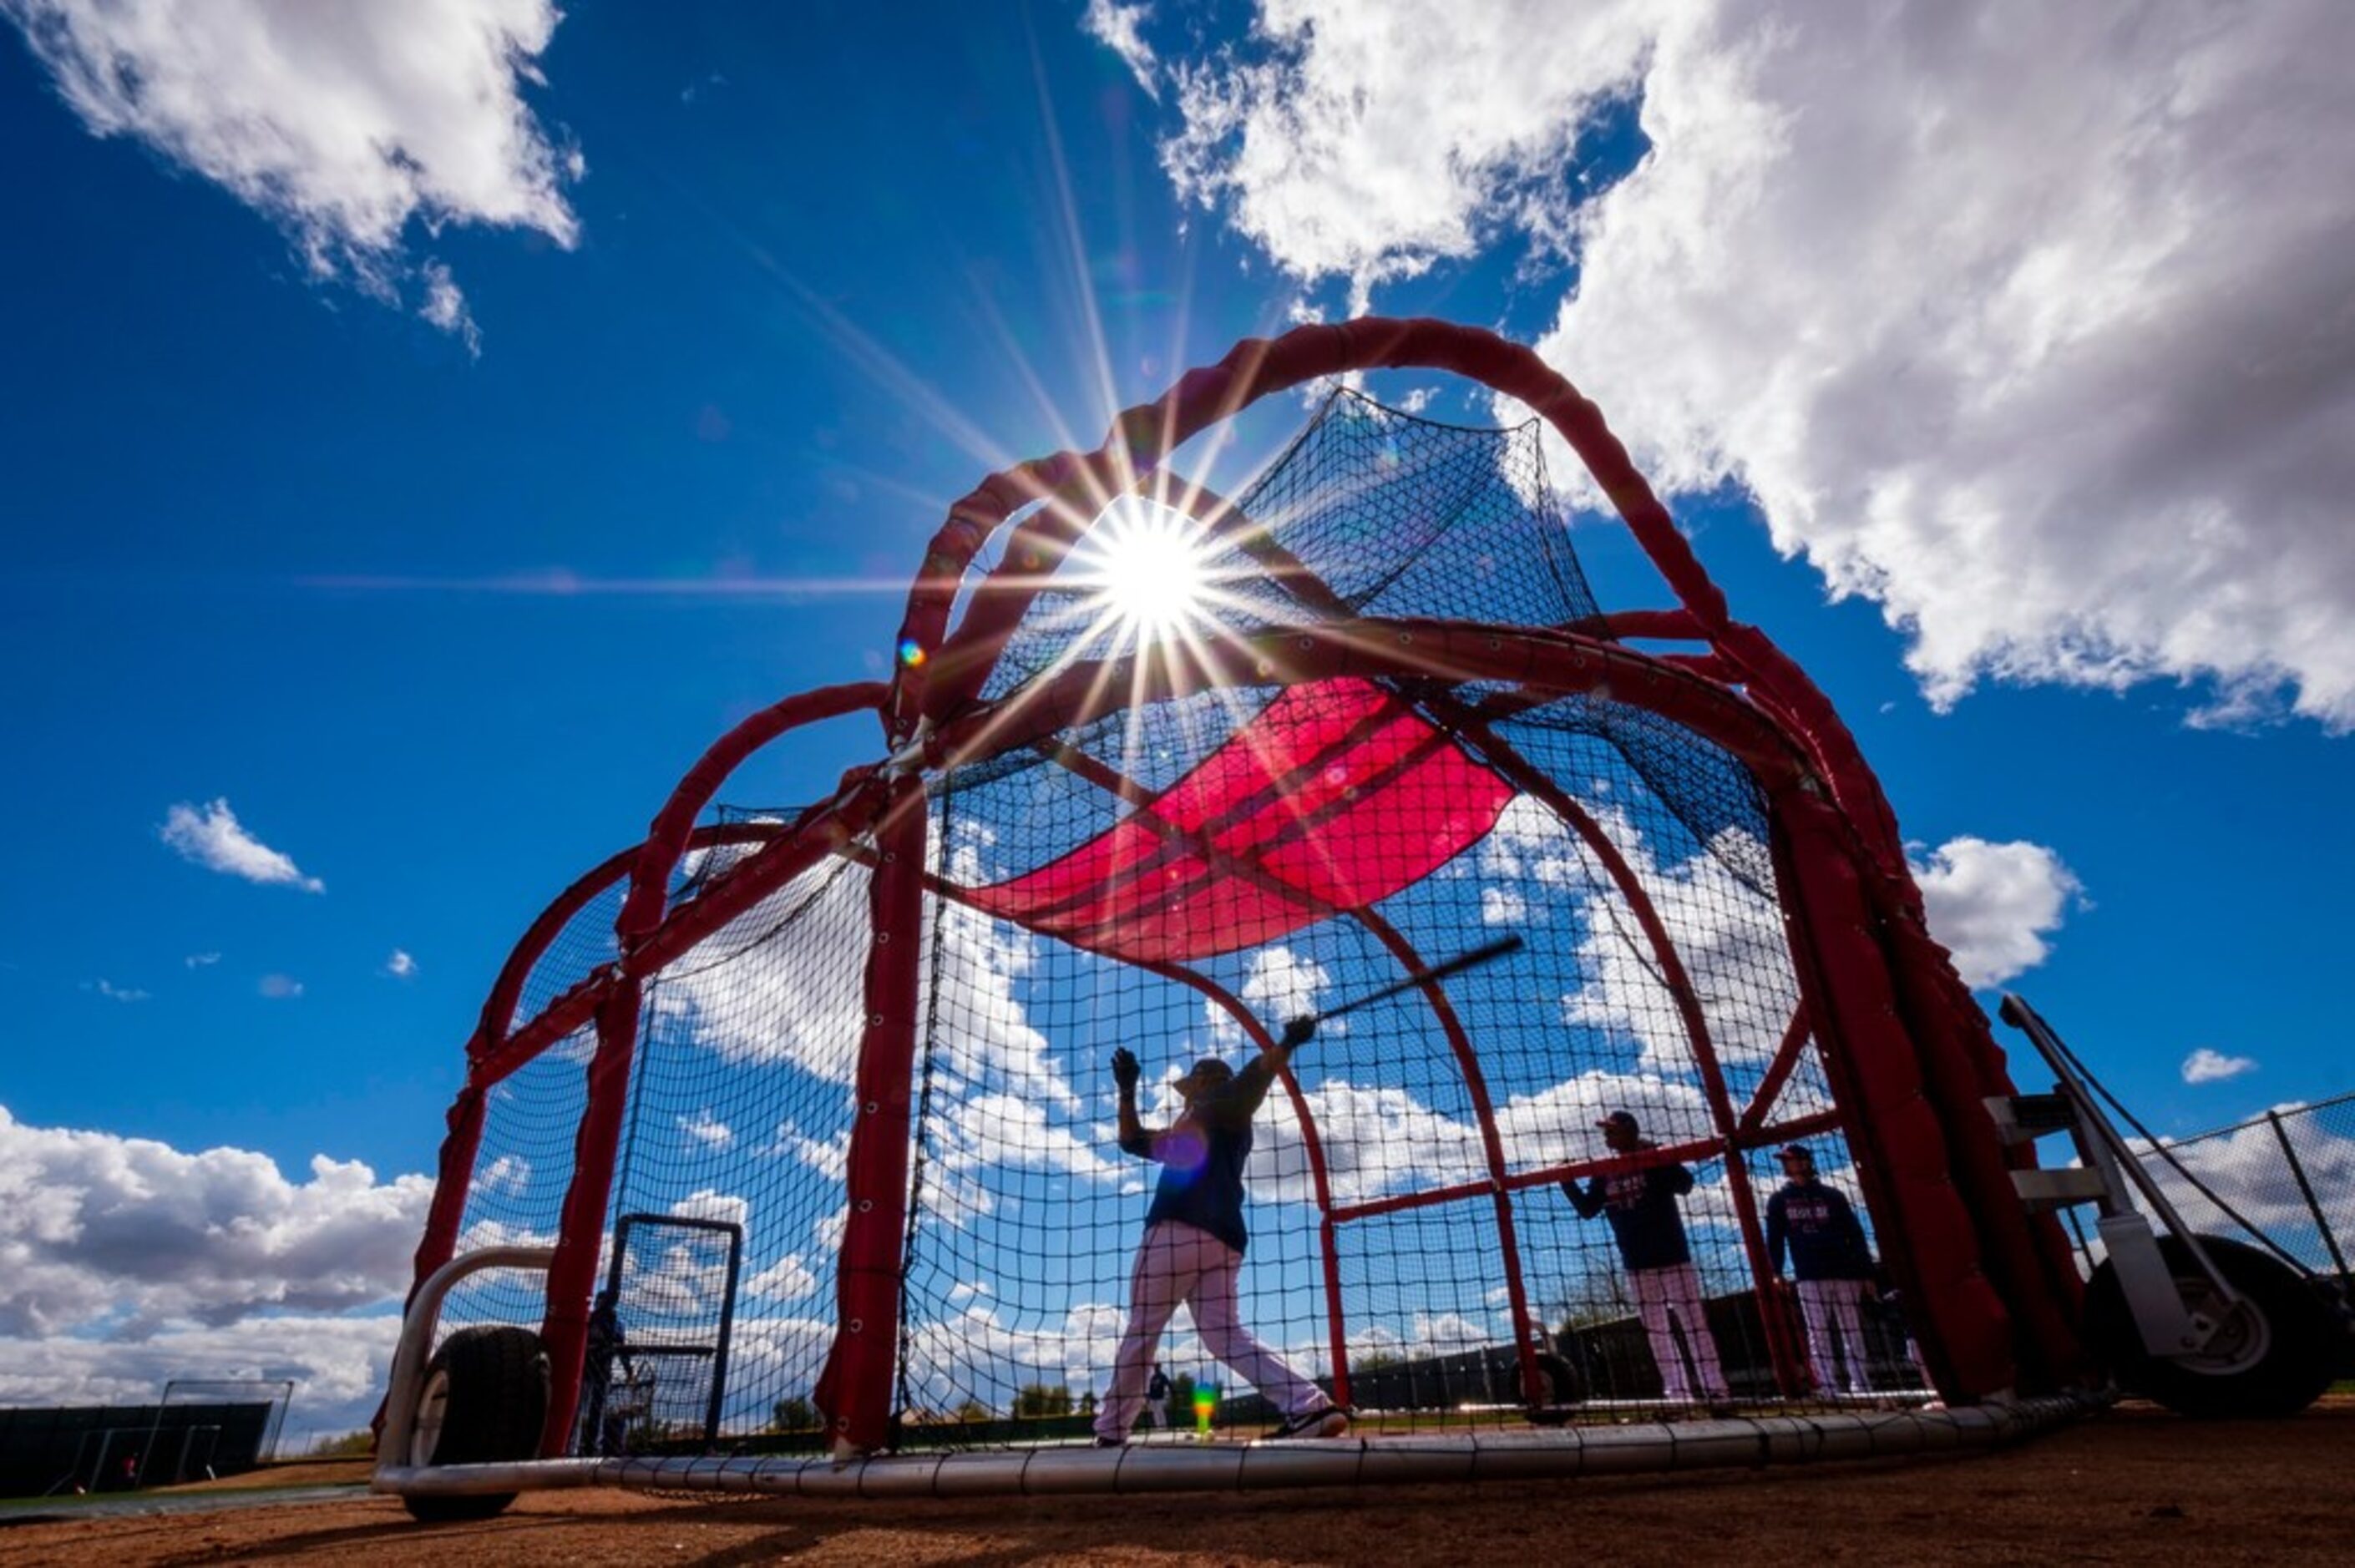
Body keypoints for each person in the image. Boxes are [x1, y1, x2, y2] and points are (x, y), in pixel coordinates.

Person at [1091, 1019, 1349, 1447]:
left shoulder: (1213, 1106)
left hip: (1177, 1232)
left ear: (1207, 1081)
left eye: (1193, 1083)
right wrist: (1127, 1091)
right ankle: (1309, 1406)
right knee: (1224, 1336)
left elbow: (1250, 1084)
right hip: (1224, 1241)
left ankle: (1111, 1430)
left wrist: (1285, 1043)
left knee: (1143, 1329)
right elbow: (1133, 1140)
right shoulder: (1198, 1127)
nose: (1187, 1091)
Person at [1563, 1110, 1726, 1403]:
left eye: (1613, 1130)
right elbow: (1588, 1209)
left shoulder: (1653, 1154)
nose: (1607, 1136)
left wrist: (1657, 1154)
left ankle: (1715, 1389)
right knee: (1657, 1331)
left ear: (1631, 1131)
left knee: (1694, 1324)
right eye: (1606, 1131)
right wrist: (1567, 1182)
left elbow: (1685, 1185)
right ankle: (1677, 1393)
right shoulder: (1604, 1168)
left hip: (1673, 1255)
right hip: (1637, 1262)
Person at [1765, 1143, 1879, 1395]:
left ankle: (1862, 1385)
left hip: (1844, 1273)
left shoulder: (1832, 1195)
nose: (1787, 1165)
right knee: (1818, 1334)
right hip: (1809, 1275)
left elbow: (1855, 1234)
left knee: (1853, 1332)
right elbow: (1775, 1239)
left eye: (1791, 1160)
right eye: (1785, 1161)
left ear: (1806, 1162)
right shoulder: (1779, 1200)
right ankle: (1827, 1387)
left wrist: (1866, 1272)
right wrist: (1776, 1272)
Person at [1146, 1363, 1173, 1431]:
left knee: (1160, 1411)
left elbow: (1169, 1384)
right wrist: (1148, 1397)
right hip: (1153, 1398)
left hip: (1160, 1397)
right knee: (1155, 1412)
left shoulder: (1162, 1376)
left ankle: (1163, 1426)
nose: (1156, 1368)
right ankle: (1158, 1427)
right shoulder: (1152, 1377)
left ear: (1159, 1367)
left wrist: (1171, 1393)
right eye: (1155, 1367)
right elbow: (1149, 1388)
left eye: (1157, 1367)